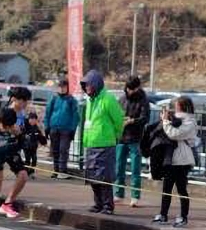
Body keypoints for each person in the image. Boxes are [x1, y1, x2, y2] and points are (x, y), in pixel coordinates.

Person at [80, 70, 123, 214]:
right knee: (92, 177)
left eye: (89, 85)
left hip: (105, 143)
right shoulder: (89, 100)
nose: (87, 88)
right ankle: (98, 203)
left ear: (96, 84)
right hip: (91, 143)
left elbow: (118, 119)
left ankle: (107, 205)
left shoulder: (108, 99)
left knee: (104, 177)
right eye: (85, 85)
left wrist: (115, 135)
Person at [153, 96, 199, 227]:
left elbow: (174, 134)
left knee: (181, 189)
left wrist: (166, 122)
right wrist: (167, 119)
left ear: (183, 107)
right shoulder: (176, 119)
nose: (175, 108)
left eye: (177, 105)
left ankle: (183, 217)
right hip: (170, 159)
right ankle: (163, 214)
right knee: (166, 188)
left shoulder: (190, 122)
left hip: (182, 160)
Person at [118, 76, 150, 207]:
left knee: (135, 169)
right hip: (121, 137)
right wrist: (121, 120)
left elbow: (145, 118)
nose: (128, 91)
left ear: (137, 88)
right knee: (118, 166)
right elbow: (116, 114)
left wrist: (132, 121)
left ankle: (135, 196)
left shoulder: (143, 100)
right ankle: (118, 194)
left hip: (135, 138)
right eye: (127, 88)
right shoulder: (122, 98)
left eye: (131, 89)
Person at [43, 78, 79, 178]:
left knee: (63, 150)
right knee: (55, 151)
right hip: (53, 128)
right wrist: (46, 127)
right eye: (60, 87)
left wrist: (73, 129)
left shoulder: (71, 100)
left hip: (66, 129)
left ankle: (62, 171)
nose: (62, 89)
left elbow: (75, 116)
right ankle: (56, 170)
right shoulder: (54, 99)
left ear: (67, 88)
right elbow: (47, 113)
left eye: (64, 87)